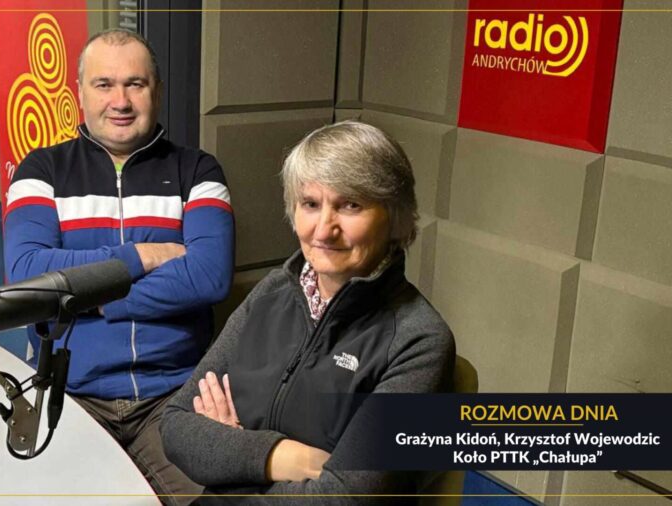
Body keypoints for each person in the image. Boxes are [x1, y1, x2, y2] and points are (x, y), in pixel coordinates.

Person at [160, 120, 455, 502]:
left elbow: (344, 496)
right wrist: (281, 457)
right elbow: (177, 426)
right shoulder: (272, 292)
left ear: (395, 217)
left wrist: (228, 450)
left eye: (351, 205)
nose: (323, 230)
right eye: (311, 204)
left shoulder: (420, 340)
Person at [4, 29, 233, 505]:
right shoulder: (40, 171)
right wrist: (143, 256)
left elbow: (208, 276)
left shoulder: (199, 171)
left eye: (135, 84)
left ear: (157, 91)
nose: (121, 101)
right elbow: (26, 275)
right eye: (104, 84)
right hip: (71, 394)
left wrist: (87, 297)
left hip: (173, 395)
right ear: (79, 93)